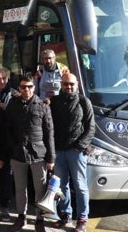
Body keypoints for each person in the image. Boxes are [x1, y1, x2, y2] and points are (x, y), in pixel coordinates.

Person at [3, 75, 55, 232]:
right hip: (18, 154)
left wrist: (51, 158)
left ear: (34, 88)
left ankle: (39, 220)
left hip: (38, 155)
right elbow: (7, 128)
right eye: (23, 87)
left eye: (29, 87)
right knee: (20, 188)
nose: (26, 89)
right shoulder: (13, 104)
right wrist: (12, 147)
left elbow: (49, 133)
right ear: (19, 88)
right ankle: (21, 217)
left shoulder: (43, 106)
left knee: (40, 190)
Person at [49, 73, 96, 232]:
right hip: (59, 151)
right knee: (61, 186)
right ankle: (65, 215)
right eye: (65, 84)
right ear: (61, 85)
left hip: (77, 151)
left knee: (80, 185)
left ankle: (82, 219)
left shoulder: (84, 102)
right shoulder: (54, 101)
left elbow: (91, 128)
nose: (68, 87)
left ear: (76, 84)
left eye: (71, 84)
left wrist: (80, 145)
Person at [0, 68, 18, 221]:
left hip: (7, 143)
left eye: (3, 78)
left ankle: (5, 207)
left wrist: (6, 109)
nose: (1, 81)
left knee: (6, 178)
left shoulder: (14, 94)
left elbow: (21, 116)